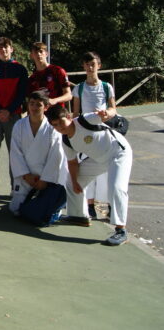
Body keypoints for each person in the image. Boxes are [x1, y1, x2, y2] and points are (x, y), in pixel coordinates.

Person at [47, 105, 132, 245]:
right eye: (55, 125)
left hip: (119, 153)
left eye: (61, 123)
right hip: (99, 160)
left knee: (116, 187)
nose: (59, 128)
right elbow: (73, 163)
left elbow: (112, 112)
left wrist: (106, 112)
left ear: (68, 117)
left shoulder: (85, 120)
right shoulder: (66, 141)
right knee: (72, 181)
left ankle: (121, 230)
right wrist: (75, 182)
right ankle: (78, 216)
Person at [71, 51, 117, 219]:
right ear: (83, 66)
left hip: (104, 134)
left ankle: (110, 205)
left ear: (99, 65)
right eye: (87, 64)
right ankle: (89, 206)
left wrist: (107, 113)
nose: (90, 68)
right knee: (86, 168)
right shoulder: (79, 88)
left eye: (93, 64)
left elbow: (113, 109)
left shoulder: (106, 87)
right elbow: (75, 113)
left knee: (106, 169)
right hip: (86, 135)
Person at [8, 92, 67, 215]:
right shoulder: (19, 125)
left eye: (38, 105)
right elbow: (15, 153)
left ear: (46, 107)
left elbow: (56, 155)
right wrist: (26, 175)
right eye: (31, 104)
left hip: (45, 178)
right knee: (16, 209)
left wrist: (44, 180)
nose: (34, 108)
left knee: (44, 211)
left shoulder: (52, 128)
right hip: (25, 177)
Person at [0, 37, 28, 188]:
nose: (3, 50)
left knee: (15, 152)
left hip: (13, 115)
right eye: (0, 48)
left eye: (6, 47)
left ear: (11, 49)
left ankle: (15, 186)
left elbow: (21, 93)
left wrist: (8, 111)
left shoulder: (20, 69)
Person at [28, 41, 71, 107]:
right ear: (31, 56)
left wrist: (55, 100)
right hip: (41, 114)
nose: (39, 54)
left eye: (41, 51)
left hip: (57, 112)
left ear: (46, 54)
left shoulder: (58, 71)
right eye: (36, 52)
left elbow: (69, 95)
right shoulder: (32, 78)